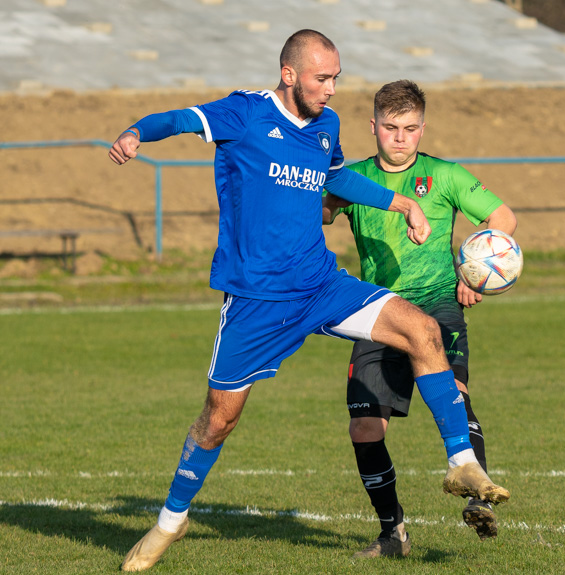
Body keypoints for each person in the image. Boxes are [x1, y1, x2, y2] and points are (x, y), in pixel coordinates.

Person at [108, 30, 509, 572]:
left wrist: (401, 205)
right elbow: (180, 119)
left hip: (321, 286)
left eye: (337, 77)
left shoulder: (326, 125)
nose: (333, 89)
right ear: (290, 74)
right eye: (324, 78)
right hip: (257, 302)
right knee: (219, 419)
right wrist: (136, 133)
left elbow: (338, 177)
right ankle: (170, 521)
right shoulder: (244, 114)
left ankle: (461, 461)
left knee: (423, 331)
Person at [322, 79, 518, 558]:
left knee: (457, 392)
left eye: (410, 128)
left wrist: (472, 276)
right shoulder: (354, 178)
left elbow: (502, 217)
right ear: (373, 127)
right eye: (390, 128)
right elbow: (317, 215)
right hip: (377, 309)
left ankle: (479, 498)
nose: (401, 137)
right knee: (364, 428)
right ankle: (393, 534)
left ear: (422, 128)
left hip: (436, 303)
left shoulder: (445, 175)